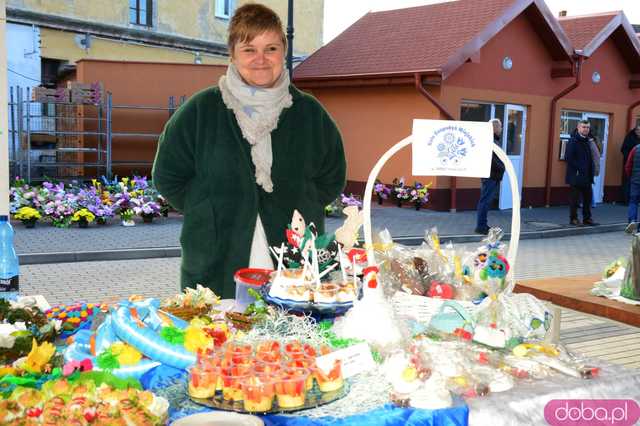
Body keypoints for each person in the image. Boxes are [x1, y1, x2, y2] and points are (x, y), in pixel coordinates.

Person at [152, 4, 346, 298]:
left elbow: (332, 178)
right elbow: (168, 176)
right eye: (249, 49)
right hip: (214, 260)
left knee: (295, 339)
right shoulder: (200, 111)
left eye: (271, 48)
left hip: (294, 262)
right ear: (232, 54)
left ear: (283, 51)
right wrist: (205, 207)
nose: (261, 59)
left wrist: (298, 204)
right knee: (217, 339)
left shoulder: (309, 114)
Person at [475, 118, 505, 235]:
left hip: (492, 175)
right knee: (485, 201)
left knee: (486, 201)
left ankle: (482, 224)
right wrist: (502, 167)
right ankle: (481, 226)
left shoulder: (493, 140)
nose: (501, 129)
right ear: (494, 127)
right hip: (490, 175)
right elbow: (491, 159)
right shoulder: (489, 140)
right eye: (500, 126)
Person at [565, 120, 597, 226]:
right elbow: (568, 158)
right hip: (576, 176)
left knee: (587, 199)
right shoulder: (573, 141)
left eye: (587, 127)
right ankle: (573, 219)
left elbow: (591, 158)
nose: (586, 129)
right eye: (583, 127)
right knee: (575, 199)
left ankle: (587, 219)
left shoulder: (588, 141)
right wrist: (579, 168)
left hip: (587, 176)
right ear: (578, 128)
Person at [621, 125, 640, 204]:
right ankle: (627, 200)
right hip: (630, 164)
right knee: (628, 181)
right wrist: (630, 158)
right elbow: (623, 149)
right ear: (635, 131)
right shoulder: (630, 138)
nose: (639, 132)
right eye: (638, 130)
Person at [624, 142, 640, 233]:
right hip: (635, 179)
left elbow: (628, 165)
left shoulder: (635, 148)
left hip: (635, 181)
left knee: (633, 201)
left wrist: (631, 176)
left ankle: (632, 221)